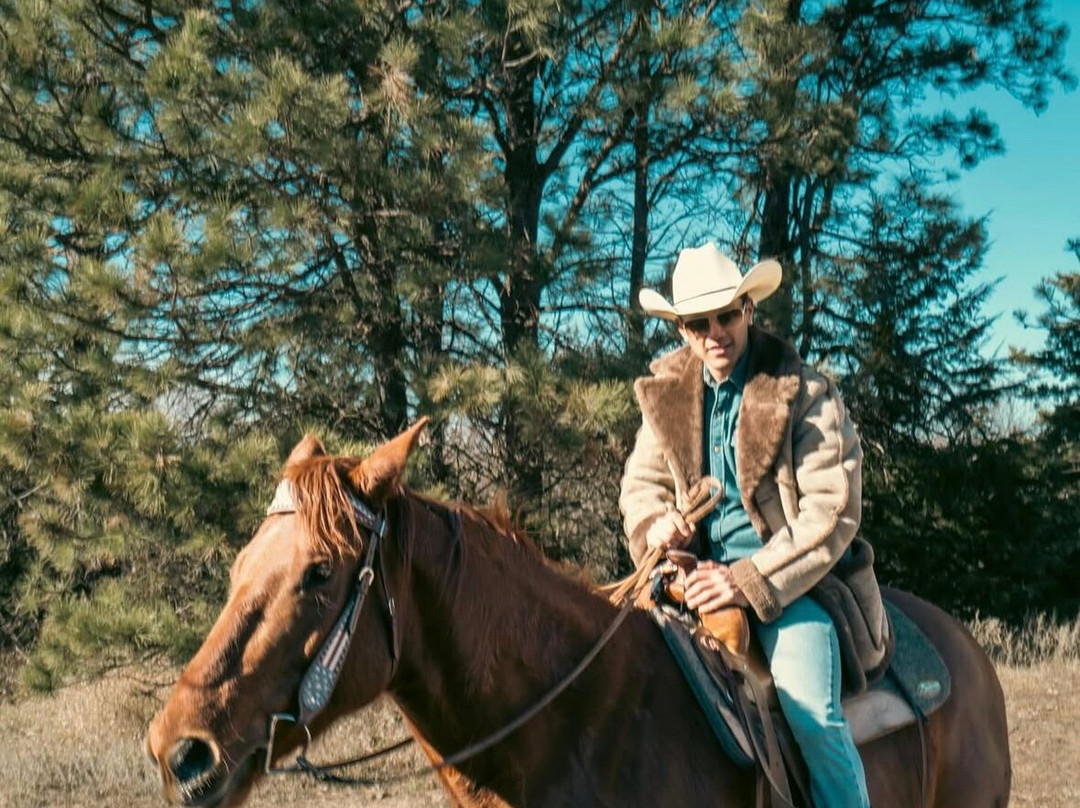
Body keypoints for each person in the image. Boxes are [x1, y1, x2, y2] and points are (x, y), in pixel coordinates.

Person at [619, 242, 872, 808]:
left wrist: (745, 579)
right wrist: (656, 526)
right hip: (686, 583)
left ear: (748, 311)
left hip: (786, 586)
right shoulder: (665, 396)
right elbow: (641, 487)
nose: (715, 332)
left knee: (814, 717)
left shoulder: (802, 391)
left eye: (726, 315)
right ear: (681, 330)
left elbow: (830, 512)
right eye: (697, 322)